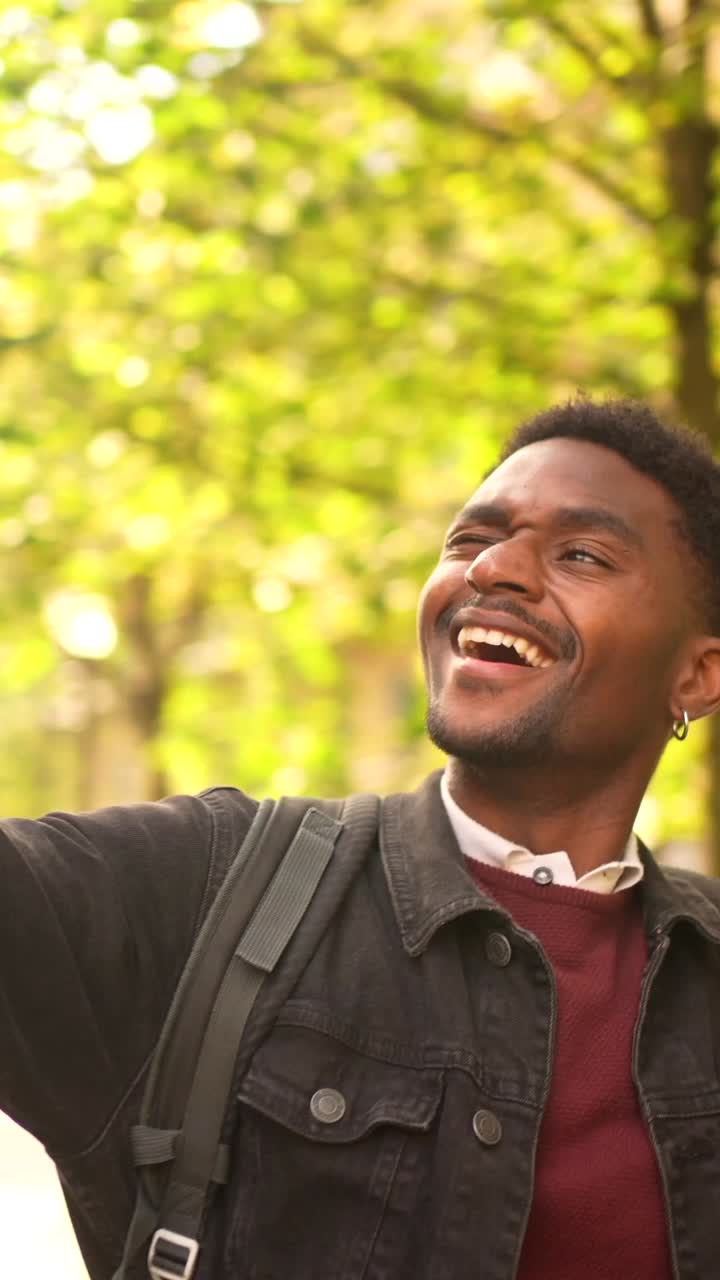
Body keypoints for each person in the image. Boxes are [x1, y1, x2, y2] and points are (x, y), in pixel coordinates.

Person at [3, 395, 720, 1280]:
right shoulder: (209, 890)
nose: (495, 567)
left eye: (580, 554)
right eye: (469, 540)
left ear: (698, 673)